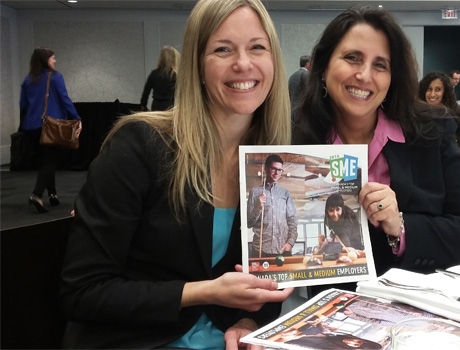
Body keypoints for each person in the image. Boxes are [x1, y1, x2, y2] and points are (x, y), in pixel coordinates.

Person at [58, 1, 294, 348]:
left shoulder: (271, 161)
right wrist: (205, 292)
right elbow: (82, 291)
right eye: (223, 49)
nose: (243, 63)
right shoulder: (140, 145)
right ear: (197, 65)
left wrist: (247, 321)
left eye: (257, 47)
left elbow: (259, 281)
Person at [293, 5, 460, 288]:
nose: (364, 75)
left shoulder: (430, 134)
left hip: (419, 308)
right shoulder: (298, 140)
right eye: (352, 58)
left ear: (391, 78)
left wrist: (401, 227)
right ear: (322, 69)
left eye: (380, 65)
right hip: (331, 315)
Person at [19, 47, 82, 213]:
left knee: (46, 161)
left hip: (31, 127)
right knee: (50, 161)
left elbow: (23, 105)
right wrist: (76, 118)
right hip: (50, 125)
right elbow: (65, 99)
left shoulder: (28, 80)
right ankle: (37, 194)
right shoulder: (55, 77)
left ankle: (52, 194)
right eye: (53, 58)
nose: (55, 61)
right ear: (45, 60)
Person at [247, 154, 298, 258]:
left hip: (282, 249)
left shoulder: (285, 193)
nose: (277, 173)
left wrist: (290, 242)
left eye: (280, 170)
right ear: (266, 168)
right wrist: (258, 207)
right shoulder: (255, 192)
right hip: (260, 250)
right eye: (274, 169)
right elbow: (248, 223)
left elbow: (292, 220)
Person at [418, 71, 460, 153]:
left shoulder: (457, 116)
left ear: (445, 92)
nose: (432, 94)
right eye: (429, 89)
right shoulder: (417, 116)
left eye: (438, 89)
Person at [140, 45, 179, 111]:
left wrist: (143, 105)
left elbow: (146, 93)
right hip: (170, 106)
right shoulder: (175, 75)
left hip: (156, 106)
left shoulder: (154, 74)